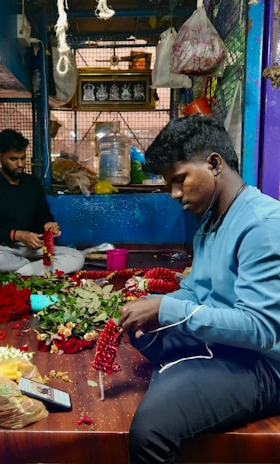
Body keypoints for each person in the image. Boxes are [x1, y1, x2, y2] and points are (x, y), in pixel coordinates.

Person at [119, 114, 280, 464]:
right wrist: (150, 305)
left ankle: (184, 379)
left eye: (180, 180)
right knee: (142, 331)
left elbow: (262, 329)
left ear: (214, 163)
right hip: (227, 344)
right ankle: (187, 374)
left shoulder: (262, 225)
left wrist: (166, 309)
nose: (175, 194)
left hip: (264, 365)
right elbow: (194, 291)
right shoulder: (210, 221)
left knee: (150, 430)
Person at [0, 129, 85, 276]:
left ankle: (23, 271)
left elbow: (43, 216)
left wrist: (49, 224)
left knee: (76, 257)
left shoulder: (32, 183)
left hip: (34, 247)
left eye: (23, 158)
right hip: (4, 249)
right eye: (13, 159)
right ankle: (32, 269)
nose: (20, 164)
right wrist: (17, 235)